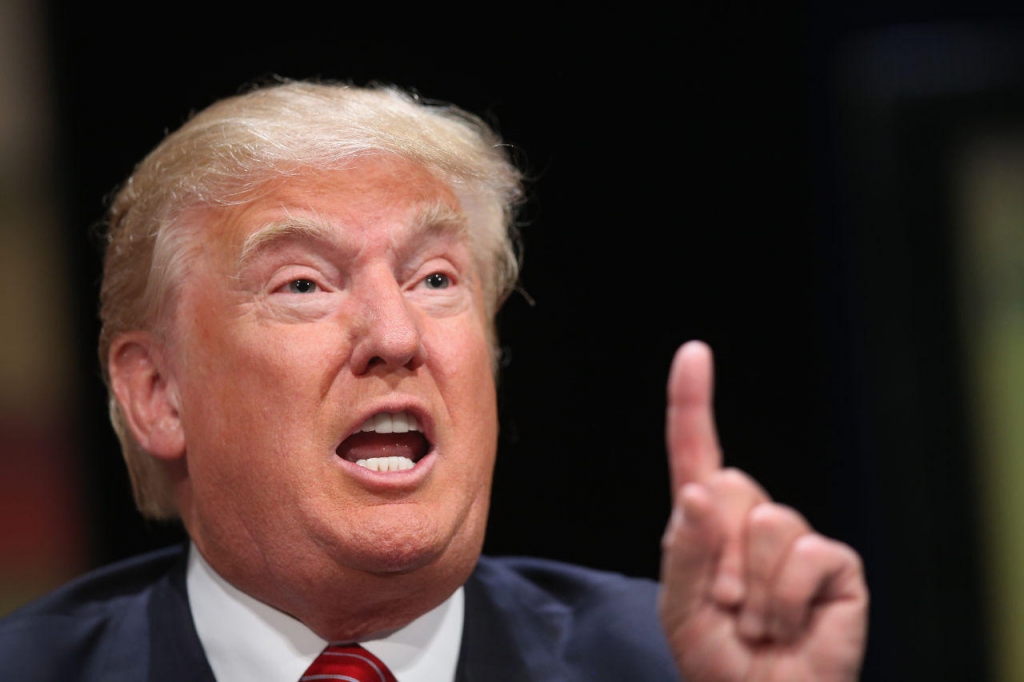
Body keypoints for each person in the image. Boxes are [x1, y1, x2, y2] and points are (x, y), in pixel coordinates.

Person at [0, 78, 868, 680]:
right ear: (157, 394)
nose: (395, 334)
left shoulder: (679, 665)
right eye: (304, 284)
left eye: (436, 279)